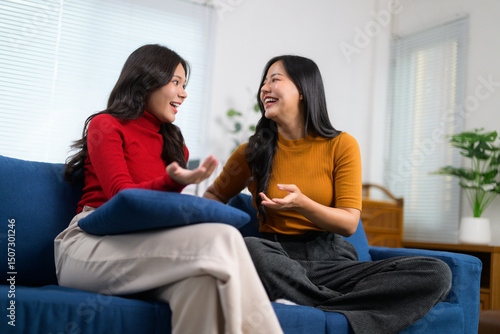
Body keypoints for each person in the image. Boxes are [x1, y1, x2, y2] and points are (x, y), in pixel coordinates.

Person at [203, 55, 452, 334]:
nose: (264, 88)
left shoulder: (342, 145)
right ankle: (348, 309)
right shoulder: (252, 152)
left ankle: (310, 302)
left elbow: (348, 223)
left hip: (332, 260)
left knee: (436, 273)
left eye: (274, 79)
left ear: (303, 90)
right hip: (278, 258)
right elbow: (214, 194)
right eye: (263, 82)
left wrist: (302, 204)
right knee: (250, 249)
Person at [55, 44, 283, 334]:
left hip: (144, 246)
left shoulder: (175, 144)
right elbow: (122, 199)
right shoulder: (106, 125)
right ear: (146, 81)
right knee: (223, 236)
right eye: (175, 82)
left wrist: (176, 183)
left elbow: (157, 216)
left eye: (184, 85)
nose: (183, 93)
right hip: (89, 244)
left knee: (204, 284)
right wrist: (174, 181)